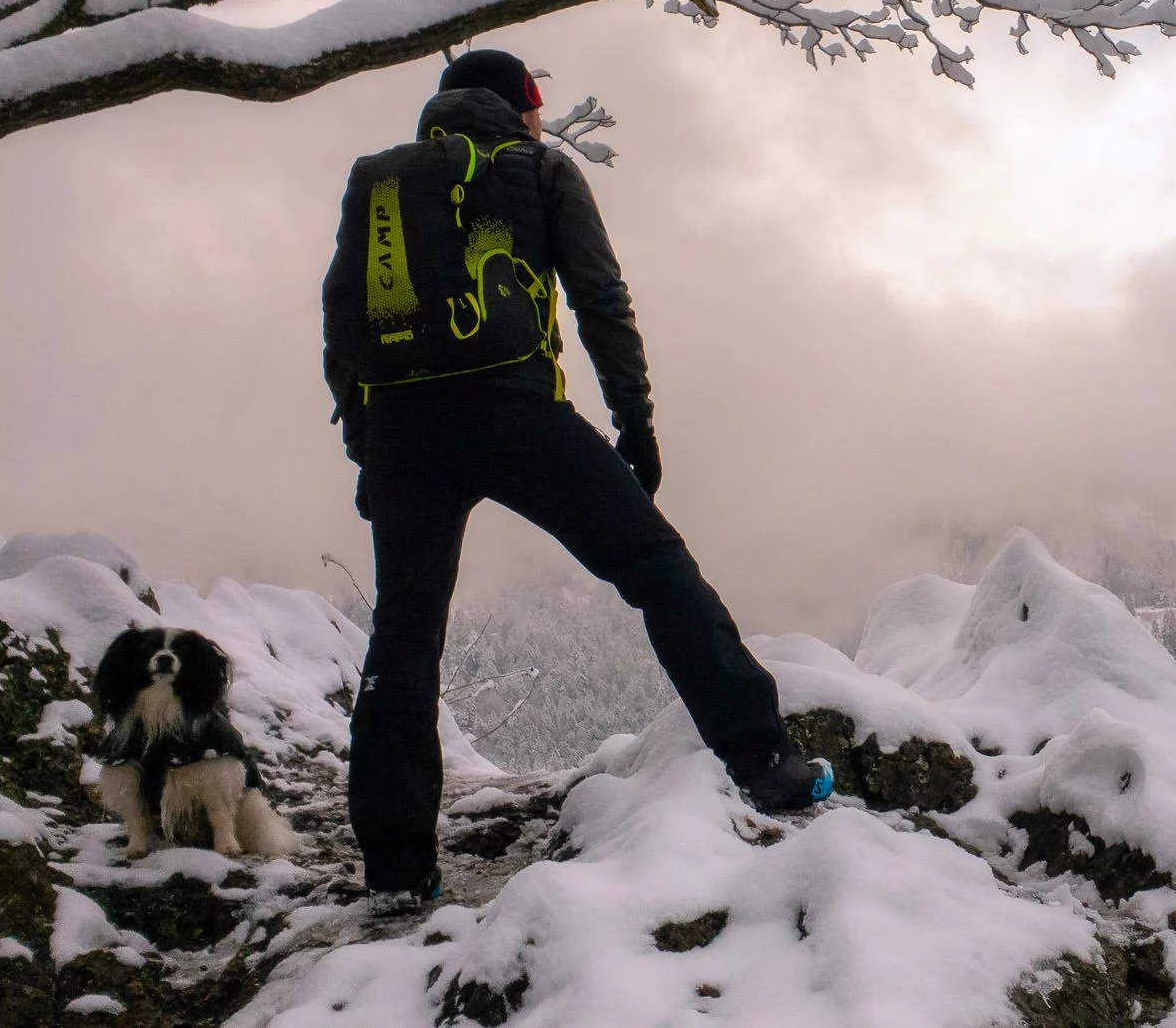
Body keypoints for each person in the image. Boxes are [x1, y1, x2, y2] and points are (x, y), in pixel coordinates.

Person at [325, 50, 832, 903]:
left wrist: (367, 442)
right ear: (522, 109)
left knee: (405, 637)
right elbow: (601, 300)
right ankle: (765, 763)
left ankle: (395, 868)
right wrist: (634, 423)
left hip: (406, 426)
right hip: (516, 411)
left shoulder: (376, 178)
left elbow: (345, 313)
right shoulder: (540, 168)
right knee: (655, 567)